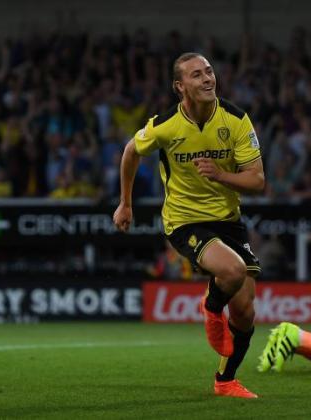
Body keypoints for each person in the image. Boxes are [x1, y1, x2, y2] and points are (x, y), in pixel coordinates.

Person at [113, 52, 265, 398]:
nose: (207, 79)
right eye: (197, 75)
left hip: (228, 220)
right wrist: (126, 203)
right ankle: (211, 308)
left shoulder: (237, 120)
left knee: (244, 311)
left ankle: (225, 381)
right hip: (184, 220)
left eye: (209, 72)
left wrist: (221, 175)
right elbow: (130, 152)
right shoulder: (165, 124)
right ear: (180, 86)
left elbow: (257, 181)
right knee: (232, 271)